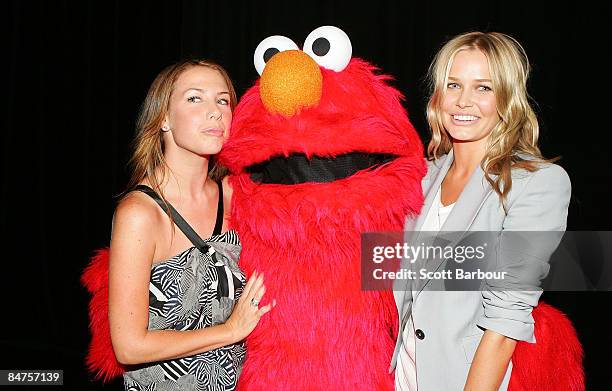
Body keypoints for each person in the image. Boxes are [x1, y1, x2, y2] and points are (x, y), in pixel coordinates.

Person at [391, 32, 571, 390]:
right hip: (400, 378)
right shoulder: (420, 177)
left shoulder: (537, 184)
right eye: (453, 84)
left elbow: (504, 326)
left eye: (483, 88)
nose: (463, 101)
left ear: (507, 98)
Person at [108, 59, 274, 390]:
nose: (215, 112)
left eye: (223, 100)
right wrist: (230, 331)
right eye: (195, 98)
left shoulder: (235, 194)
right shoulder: (141, 214)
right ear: (164, 119)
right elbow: (128, 346)